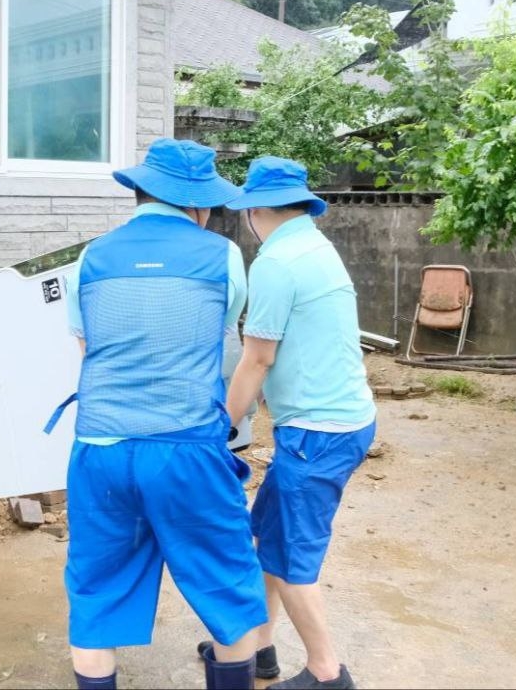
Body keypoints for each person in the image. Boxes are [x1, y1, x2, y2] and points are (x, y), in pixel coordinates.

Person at [56, 138, 266, 690]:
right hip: (186, 447)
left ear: (141, 192)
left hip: (101, 447)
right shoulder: (222, 255)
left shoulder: (91, 255)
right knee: (227, 582)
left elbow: (87, 347)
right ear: (197, 205)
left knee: (96, 589)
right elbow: (223, 338)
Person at [221, 156, 378, 690]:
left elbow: (257, 358)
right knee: (266, 536)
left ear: (254, 210)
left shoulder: (276, 263)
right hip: (342, 422)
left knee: (289, 559)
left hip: (318, 432)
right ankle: (260, 649)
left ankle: (326, 672)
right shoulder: (316, 247)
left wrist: (223, 423)